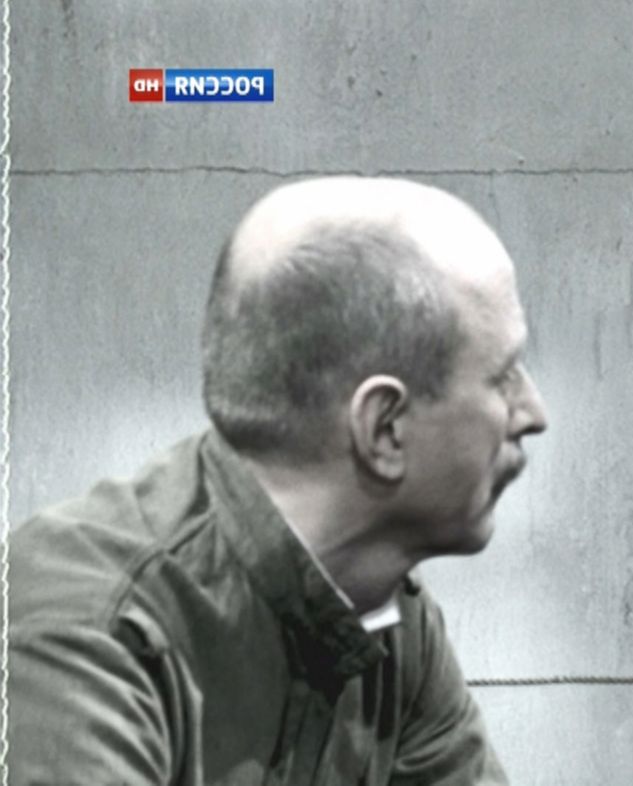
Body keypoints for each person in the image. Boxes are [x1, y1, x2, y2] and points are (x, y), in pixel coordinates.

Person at [9, 177, 548, 785]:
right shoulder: (89, 634)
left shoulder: (390, 620)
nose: (534, 413)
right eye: (503, 376)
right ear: (385, 429)